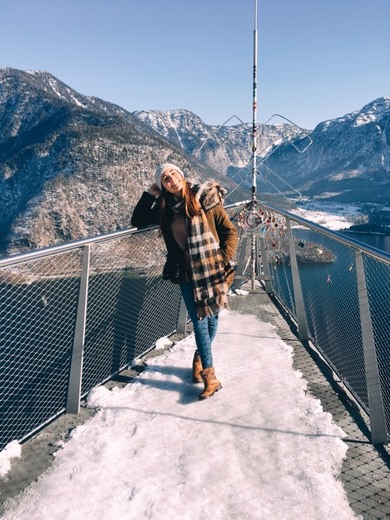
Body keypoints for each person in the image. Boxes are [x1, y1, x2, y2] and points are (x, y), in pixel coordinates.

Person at [131, 163, 238, 400]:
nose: (170, 180)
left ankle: (200, 357)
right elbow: (137, 219)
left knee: (212, 318)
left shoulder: (206, 199)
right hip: (186, 273)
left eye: (172, 174)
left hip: (213, 269)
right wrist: (149, 194)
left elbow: (230, 231)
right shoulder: (164, 207)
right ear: (163, 186)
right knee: (200, 320)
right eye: (164, 179)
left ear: (181, 175)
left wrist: (222, 258)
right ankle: (211, 377)